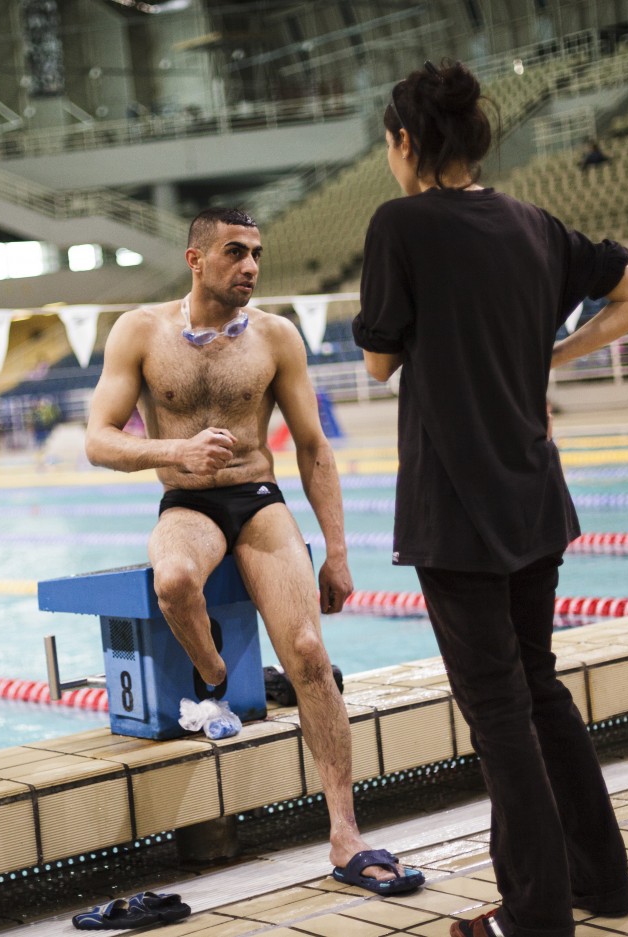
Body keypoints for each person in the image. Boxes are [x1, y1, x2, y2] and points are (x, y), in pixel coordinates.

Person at [353, 60, 628, 937]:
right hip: (533, 496)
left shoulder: (399, 225)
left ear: (407, 142)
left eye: (389, 143)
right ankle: (601, 879)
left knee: (498, 713)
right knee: (538, 690)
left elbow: (379, 361)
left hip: (456, 506)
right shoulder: (532, 223)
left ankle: (530, 914)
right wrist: (546, 358)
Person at [85, 206, 423, 895]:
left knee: (307, 651)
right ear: (196, 259)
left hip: (259, 503)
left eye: (257, 253)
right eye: (235, 252)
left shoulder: (275, 337)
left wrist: (336, 550)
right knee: (174, 580)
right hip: (187, 500)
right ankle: (214, 678)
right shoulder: (140, 331)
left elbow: (311, 446)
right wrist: (171, 448)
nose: (250, 267)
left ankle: (345, 834)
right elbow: (97, 438)